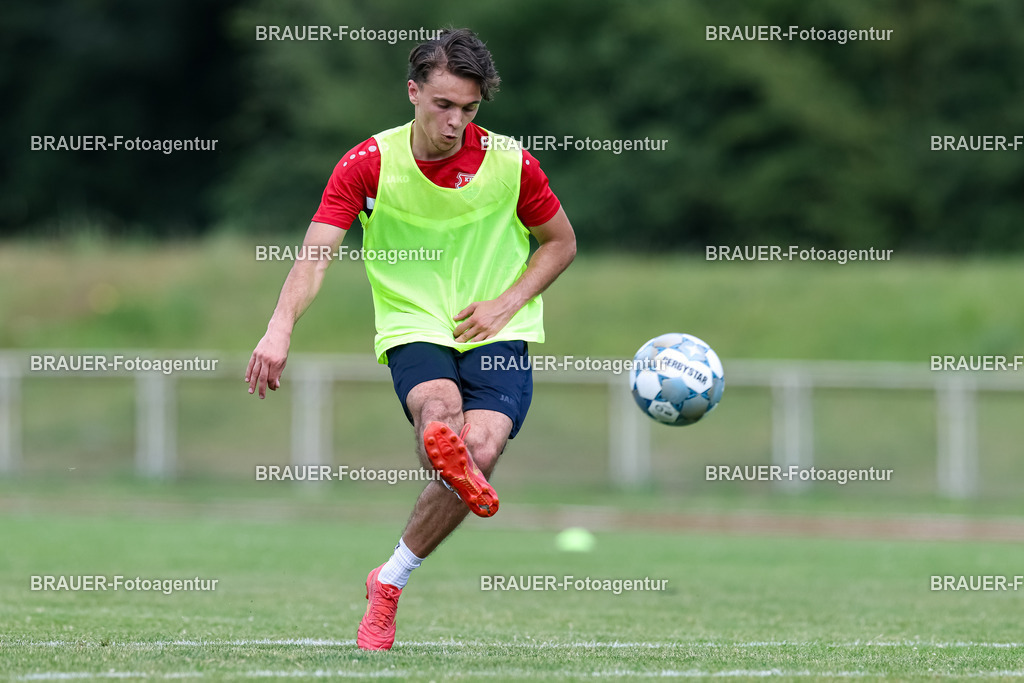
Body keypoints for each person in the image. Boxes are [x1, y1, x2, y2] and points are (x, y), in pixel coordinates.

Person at [245, 27, 576, 651]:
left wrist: (507, 302)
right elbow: (315, 257)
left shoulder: (512, 163)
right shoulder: (369, 164)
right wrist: (279, 327)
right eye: (443, 105)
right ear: (413, 92)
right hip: (414, 321)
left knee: (477, 453)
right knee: (441, 418)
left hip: (496, 326)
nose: (455, 122)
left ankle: (388, 581)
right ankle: (441, 446)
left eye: (469, 110)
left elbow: (562, 242)